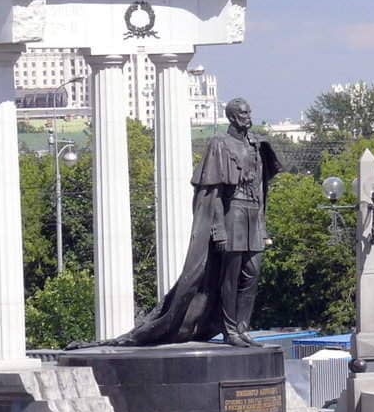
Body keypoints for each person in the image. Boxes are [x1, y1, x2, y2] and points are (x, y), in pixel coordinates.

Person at [106, 97, 280, 348]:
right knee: (229, 279)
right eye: (242, 113)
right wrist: (218, 229)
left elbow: (261, 188)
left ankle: (242, 327)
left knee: (251, 273)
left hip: (253, 215)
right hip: (233, 214)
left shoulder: (256, 144)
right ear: (231, 117)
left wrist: (262, 226)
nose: (247, 116)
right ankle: (230, 330)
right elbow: (212, 192)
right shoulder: (220, 144)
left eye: (249, 112)